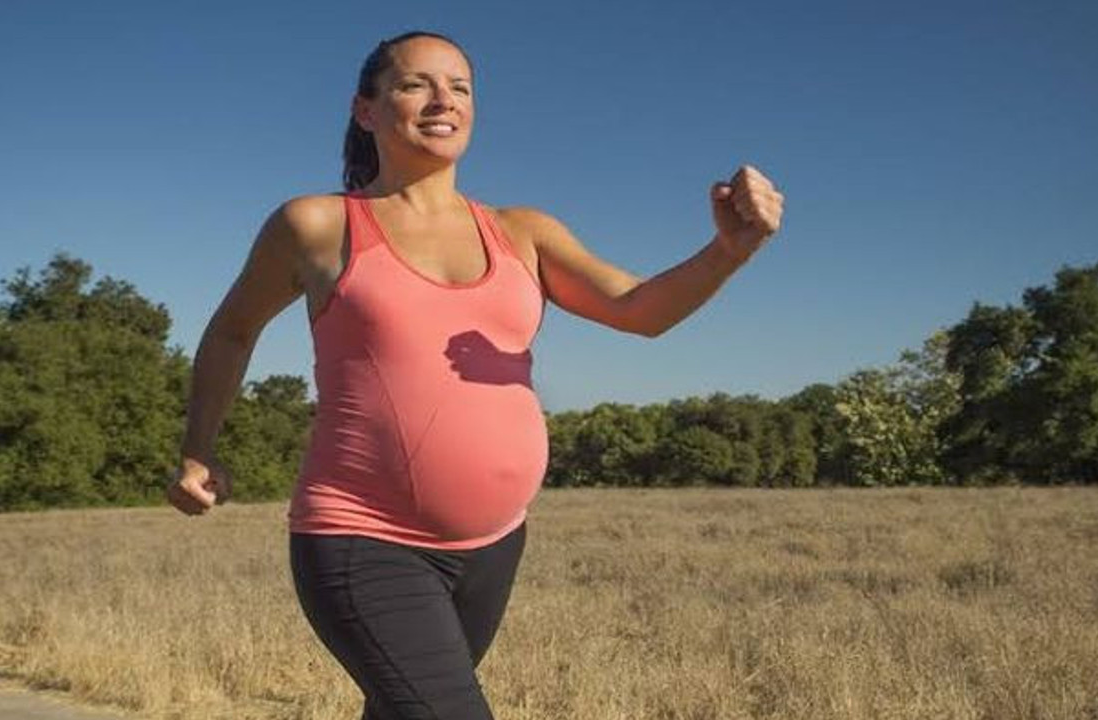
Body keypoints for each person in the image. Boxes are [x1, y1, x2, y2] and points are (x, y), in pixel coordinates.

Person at [165, 29, 784, 720]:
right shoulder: (318, 224)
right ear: (365, 109)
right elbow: (231, 330)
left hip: (493, 545)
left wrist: (729, 252)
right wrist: (198, 449)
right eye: (414, 83)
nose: (442, 99)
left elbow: (639, 310)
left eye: (459, 86)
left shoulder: (522, 231)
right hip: (362, 536)